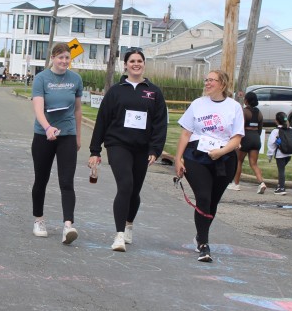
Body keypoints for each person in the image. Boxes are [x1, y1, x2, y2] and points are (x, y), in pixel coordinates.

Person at [88, 49, 168, 252]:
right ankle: (119, 235)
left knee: (134, 191)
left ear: (144, 64)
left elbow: (160, 123)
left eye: (139, 61)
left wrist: (155, 149)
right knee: (125, 185)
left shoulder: (154, 92)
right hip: (118, 145)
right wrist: (95, 151)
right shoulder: (116, 91)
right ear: (125, 65)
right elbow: (102, 120)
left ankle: (129, 223)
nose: (136, 64)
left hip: (142, 148)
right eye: (132, 61)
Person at [174, 70, 244, 262]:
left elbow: (237, 137)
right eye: (206, 80)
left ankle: (200, 234)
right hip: (196, 156)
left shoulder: (234, 107)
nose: (207, 83)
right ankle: (204, 245)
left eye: (212, 80)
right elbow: (185, 133)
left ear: (222, 84)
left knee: (212, 202)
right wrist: (178, 159)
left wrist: (221, 152)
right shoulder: (198, 104)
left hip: (224, 158)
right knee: (203, 197)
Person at [31, 43, 83, 244]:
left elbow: (77, 109)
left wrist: (78, 136)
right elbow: (38, 108)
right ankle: (39, 220)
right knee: (41, 179)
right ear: (53, 58)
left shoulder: (75, 79)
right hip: (43, 135)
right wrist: (47, 128)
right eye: (60, 57)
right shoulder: (41, 78)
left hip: (67, 134)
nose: (64, 61)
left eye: (67, 57)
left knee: (67, 181)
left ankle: (68, 225)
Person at [230, 91, 267, 194]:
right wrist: (256, 136)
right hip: (256, 138)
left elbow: (240, 126)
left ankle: (236, 184)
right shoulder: (259, 113)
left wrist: (237, 140)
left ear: (246, 101)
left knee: (239, 161)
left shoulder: (244, 112)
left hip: (246, 137)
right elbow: (260, 128)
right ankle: (261, 183)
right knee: (254, 163)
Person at [266, 111, 292, 195]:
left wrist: (270, 155)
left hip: (280, 154)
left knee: (281, 170)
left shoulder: (276, 131)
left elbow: (271, 144)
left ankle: (281, 188)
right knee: (282, 169)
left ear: (276, 121)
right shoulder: (291, 129)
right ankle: (279, 185)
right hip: (289, 153)